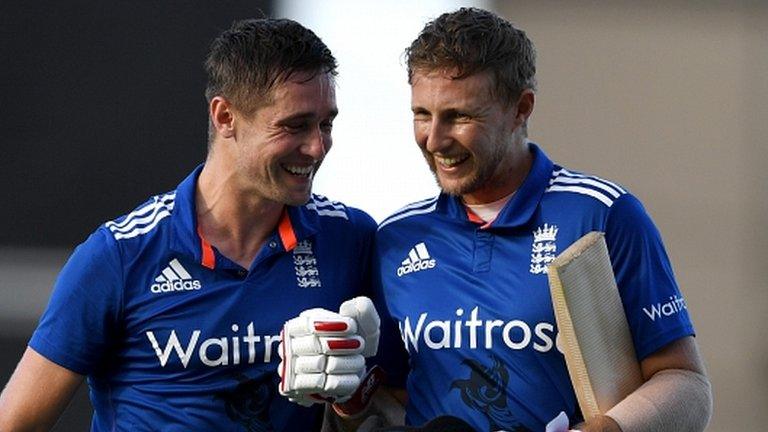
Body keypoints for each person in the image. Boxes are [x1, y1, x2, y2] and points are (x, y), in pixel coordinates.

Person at [0, 17, 377, 431]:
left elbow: (389, 408)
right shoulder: (120, 255)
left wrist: (352, 400)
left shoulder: (350, 238)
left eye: (327, 124)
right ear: (225, 116)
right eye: (295, 125)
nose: (318, 146)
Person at [369, 7, 712, 432]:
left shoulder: (601, 214)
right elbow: (387, 394)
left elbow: (686, 384)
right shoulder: (396, 236)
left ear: (521, 108)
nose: (435, 139)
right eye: (422, 114)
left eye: (459, 116)